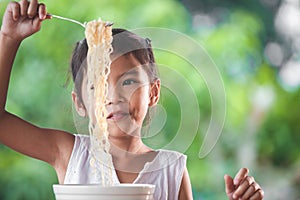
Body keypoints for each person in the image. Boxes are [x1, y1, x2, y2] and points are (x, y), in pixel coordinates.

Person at [0, 0, 264, 199]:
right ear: (79, 103)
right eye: (97, 86)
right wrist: (9, 38)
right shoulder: (69, 153)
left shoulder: (171, 170)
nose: (112, 97)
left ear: (153, 92)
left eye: (128, 81)